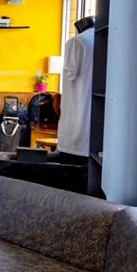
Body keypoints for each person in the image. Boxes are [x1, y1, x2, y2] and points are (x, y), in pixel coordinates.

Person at [56, 16, 95, 164]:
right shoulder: (104, 41)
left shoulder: (77, 42)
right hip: (96, 125)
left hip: (76, 123)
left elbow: (70, 74)